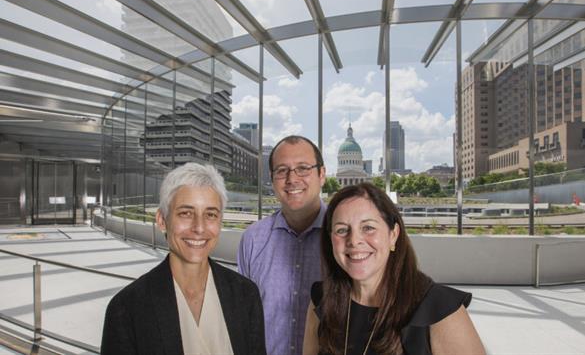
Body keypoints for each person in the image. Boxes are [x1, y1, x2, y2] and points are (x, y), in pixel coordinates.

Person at [101, 163, 266, 355]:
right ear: (162, 220)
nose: (199, 227)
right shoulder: (126, 308)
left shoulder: (245, 295)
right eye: (186, 213)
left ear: (219, 222)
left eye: (210, 214)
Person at [303, 183, 485, 355]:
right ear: (330, 239)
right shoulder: (321, 300)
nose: (354, 241)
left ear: (393, 234)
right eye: (342, 230)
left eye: (368, 227)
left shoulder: (440, 310)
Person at [238, 135, 327, 355]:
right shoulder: (252, 239)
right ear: (272, 178)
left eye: (303, 168)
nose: (292, 179)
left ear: (322, 175)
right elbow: (242, 319)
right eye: (282, 171)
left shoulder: (346, 239)